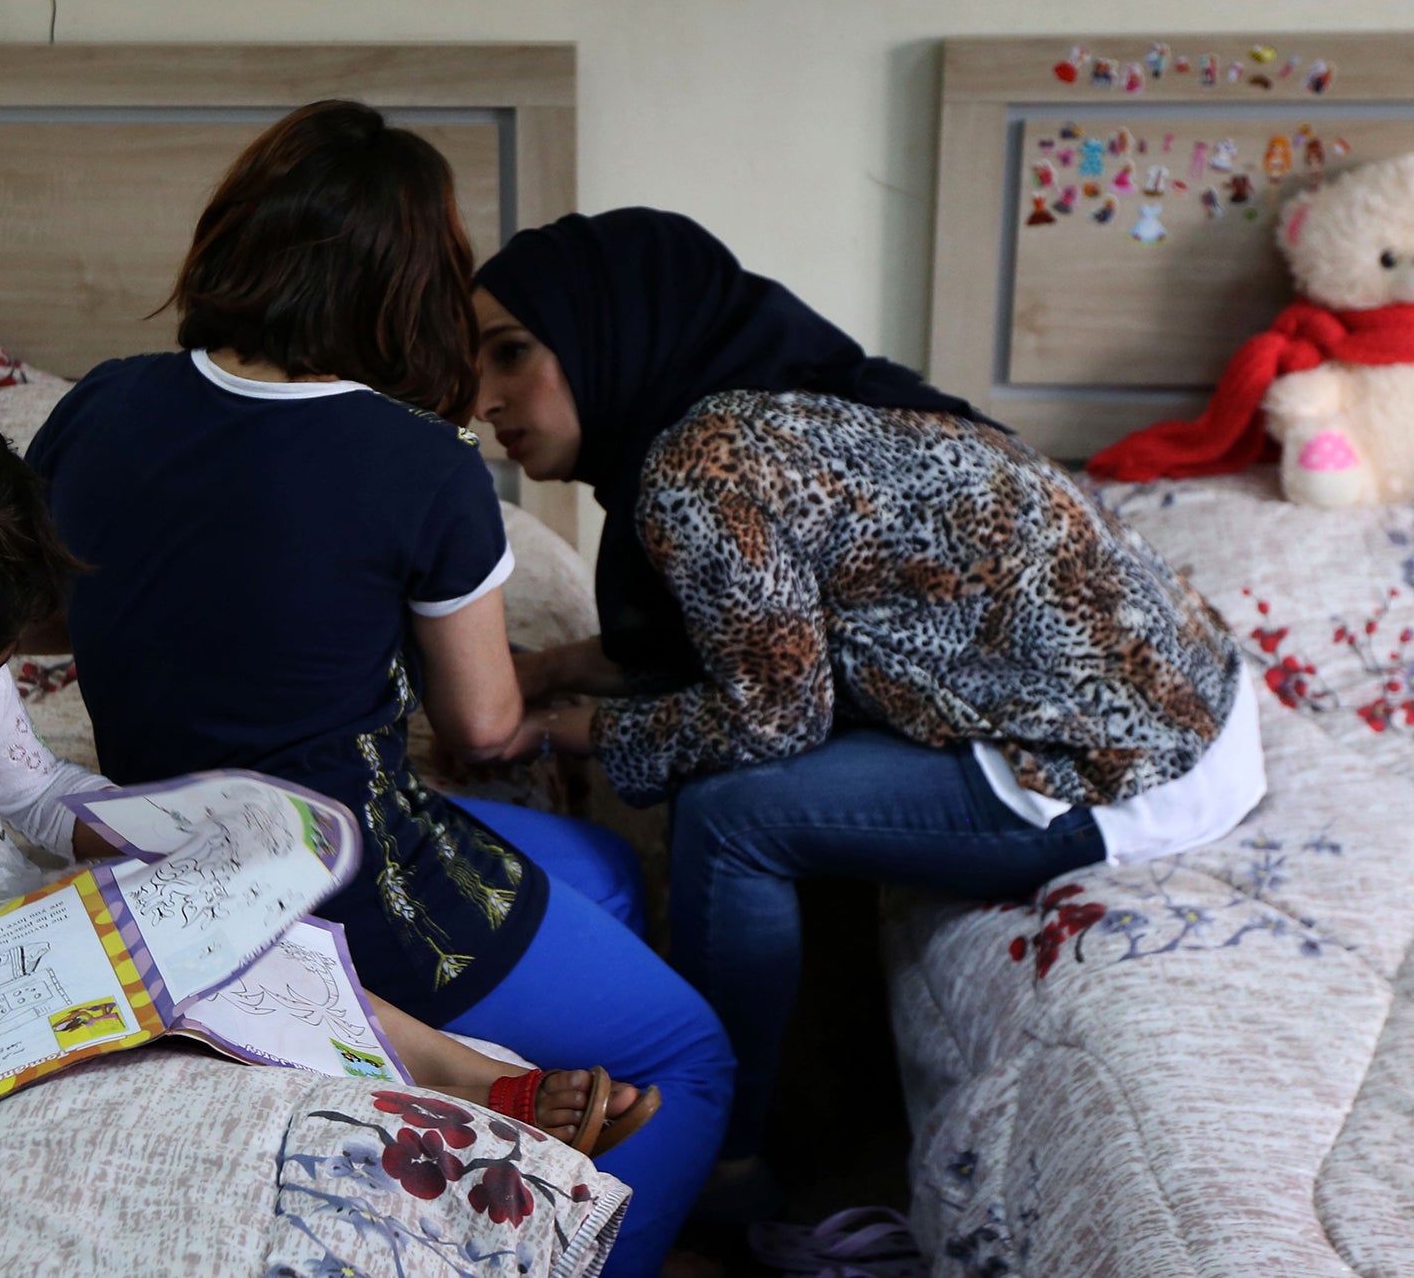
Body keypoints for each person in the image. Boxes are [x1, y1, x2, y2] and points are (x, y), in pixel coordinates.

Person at [25, 102, 732, 1274]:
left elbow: (49, 609)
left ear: (235, 238)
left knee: (604, 870)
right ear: (417, 287)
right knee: (689, 1053)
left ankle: (484, 1124)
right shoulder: (419, 465)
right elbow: (484, 721)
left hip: (160, 851)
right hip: (350, 890)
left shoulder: (104, 401)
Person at [471, 207, 1266, 1210]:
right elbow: (747, 638)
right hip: (1200, 696)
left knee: (730, 816)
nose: (483, 400)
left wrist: (553, 727)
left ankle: (720, 1160)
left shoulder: (697, 465)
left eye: (510, 355)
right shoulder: (761, 407)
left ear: (608, 332)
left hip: (1121, 756)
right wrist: (554, 670)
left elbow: (770, 718)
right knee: (737, 772)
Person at [0, 403, 662, 1157]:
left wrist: (153, 837)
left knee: (226, 937)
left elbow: (25, 794)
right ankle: (450, 1085)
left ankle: (468, 1076)